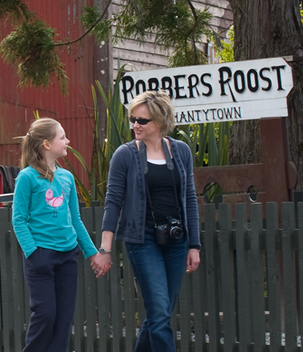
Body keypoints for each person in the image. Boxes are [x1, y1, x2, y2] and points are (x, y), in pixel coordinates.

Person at [98, 90, 201, 351]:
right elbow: (113, 203)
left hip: (176, 241)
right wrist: (105, 249)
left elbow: (190, 198)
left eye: (142, 120)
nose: (135, 125)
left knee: (160, 313)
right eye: (133, 119)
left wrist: (194, 245)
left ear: (160, 121)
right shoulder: (125, 155)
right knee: (159, 314)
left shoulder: (182, 151)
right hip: (142, 240)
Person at [11, 118, 112, 352]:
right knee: (46, 314)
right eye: (62, 137)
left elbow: (75, 220)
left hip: (67, 257)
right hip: (41, 257)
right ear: (47, 144)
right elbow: (18, 219)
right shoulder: (27, 177)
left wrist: (92, 254)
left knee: (64, 319)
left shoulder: (66, 177)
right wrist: (34, 254)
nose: (67, 141)